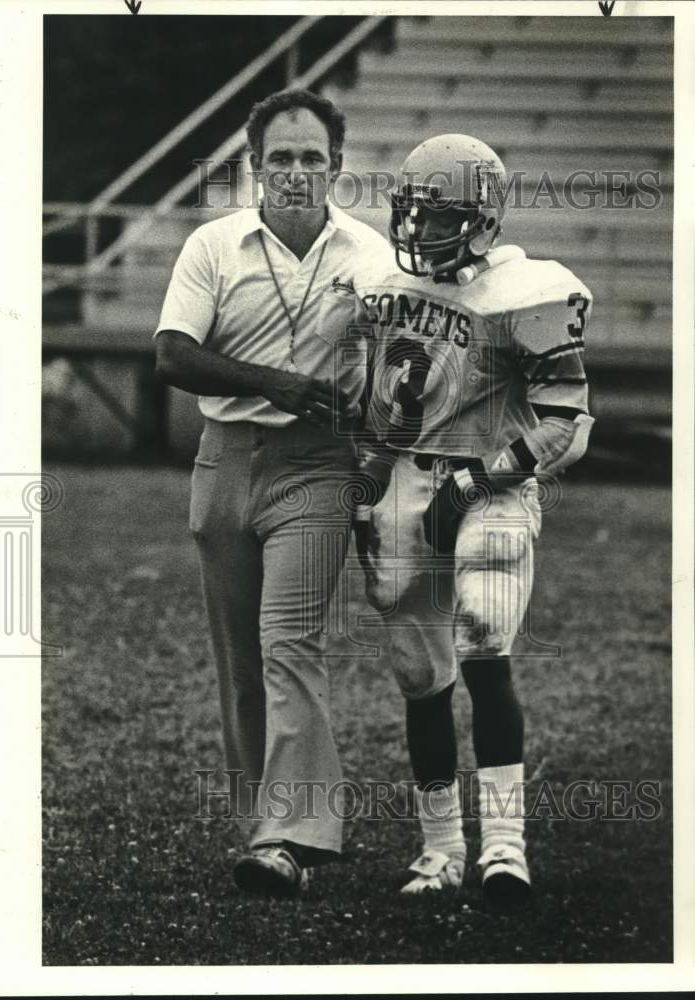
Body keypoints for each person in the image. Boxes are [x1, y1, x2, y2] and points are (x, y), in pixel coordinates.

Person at [154, 89, 391, 897]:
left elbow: (400, 368)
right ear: (257, 166)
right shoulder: (214, 245)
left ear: (336, 167)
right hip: (223, 461)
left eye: (311, 158)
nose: (296, 171)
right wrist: (273, 382)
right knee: (241, 657)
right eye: (281, 158)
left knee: (291, 641)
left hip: (318, 466)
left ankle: (291, 832)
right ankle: (269, 828)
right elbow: (173, 357)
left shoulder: (371, 257)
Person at [353, 134, 594, 902]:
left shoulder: (527, 291)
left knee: (487, 643)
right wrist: (364, 481)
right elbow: (389, 407)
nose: (417, 232)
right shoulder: (383, 283)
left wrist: (475, 481)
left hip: (489, 483)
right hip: (404, 482)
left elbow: (562, 420)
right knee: (420, 675)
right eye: (411, 215)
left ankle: (504, 847)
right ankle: (438, 850)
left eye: (437, 216)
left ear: (482, 218)